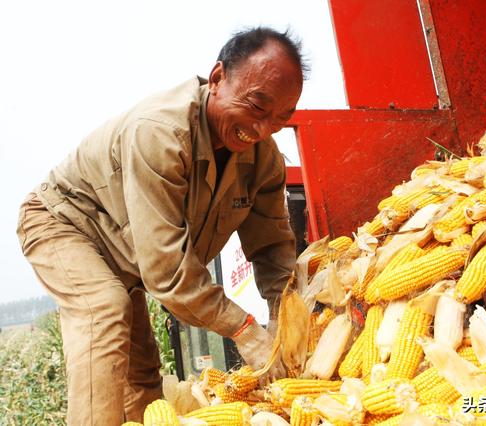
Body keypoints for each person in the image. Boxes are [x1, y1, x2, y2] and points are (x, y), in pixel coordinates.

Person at [16, 27, 305, 425]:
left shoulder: (264, 160)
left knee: (143, 381)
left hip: (127, 254)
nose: (261, 129)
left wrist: (285, 318)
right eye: (257, 106)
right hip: (65, 222)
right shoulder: (160, 133)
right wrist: (247, 330)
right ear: (218, 78)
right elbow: (167, 271)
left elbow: (273, 250)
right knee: (103, 311)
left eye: (280, 118)